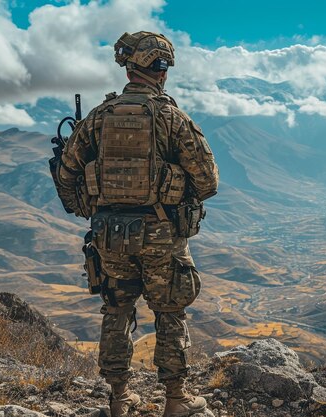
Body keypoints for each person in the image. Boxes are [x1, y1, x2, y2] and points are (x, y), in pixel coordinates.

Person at [54, 31, 219, 417]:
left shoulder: (98, 117)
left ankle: (118, 400)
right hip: (162, 233)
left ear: (129, 68)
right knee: (169, 312)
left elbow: (67, 173)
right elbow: (208, 181)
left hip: (110, 236)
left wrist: (90, 204)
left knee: (116, 309)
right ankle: (176, 400)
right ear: (160, 69)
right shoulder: (171, 118)